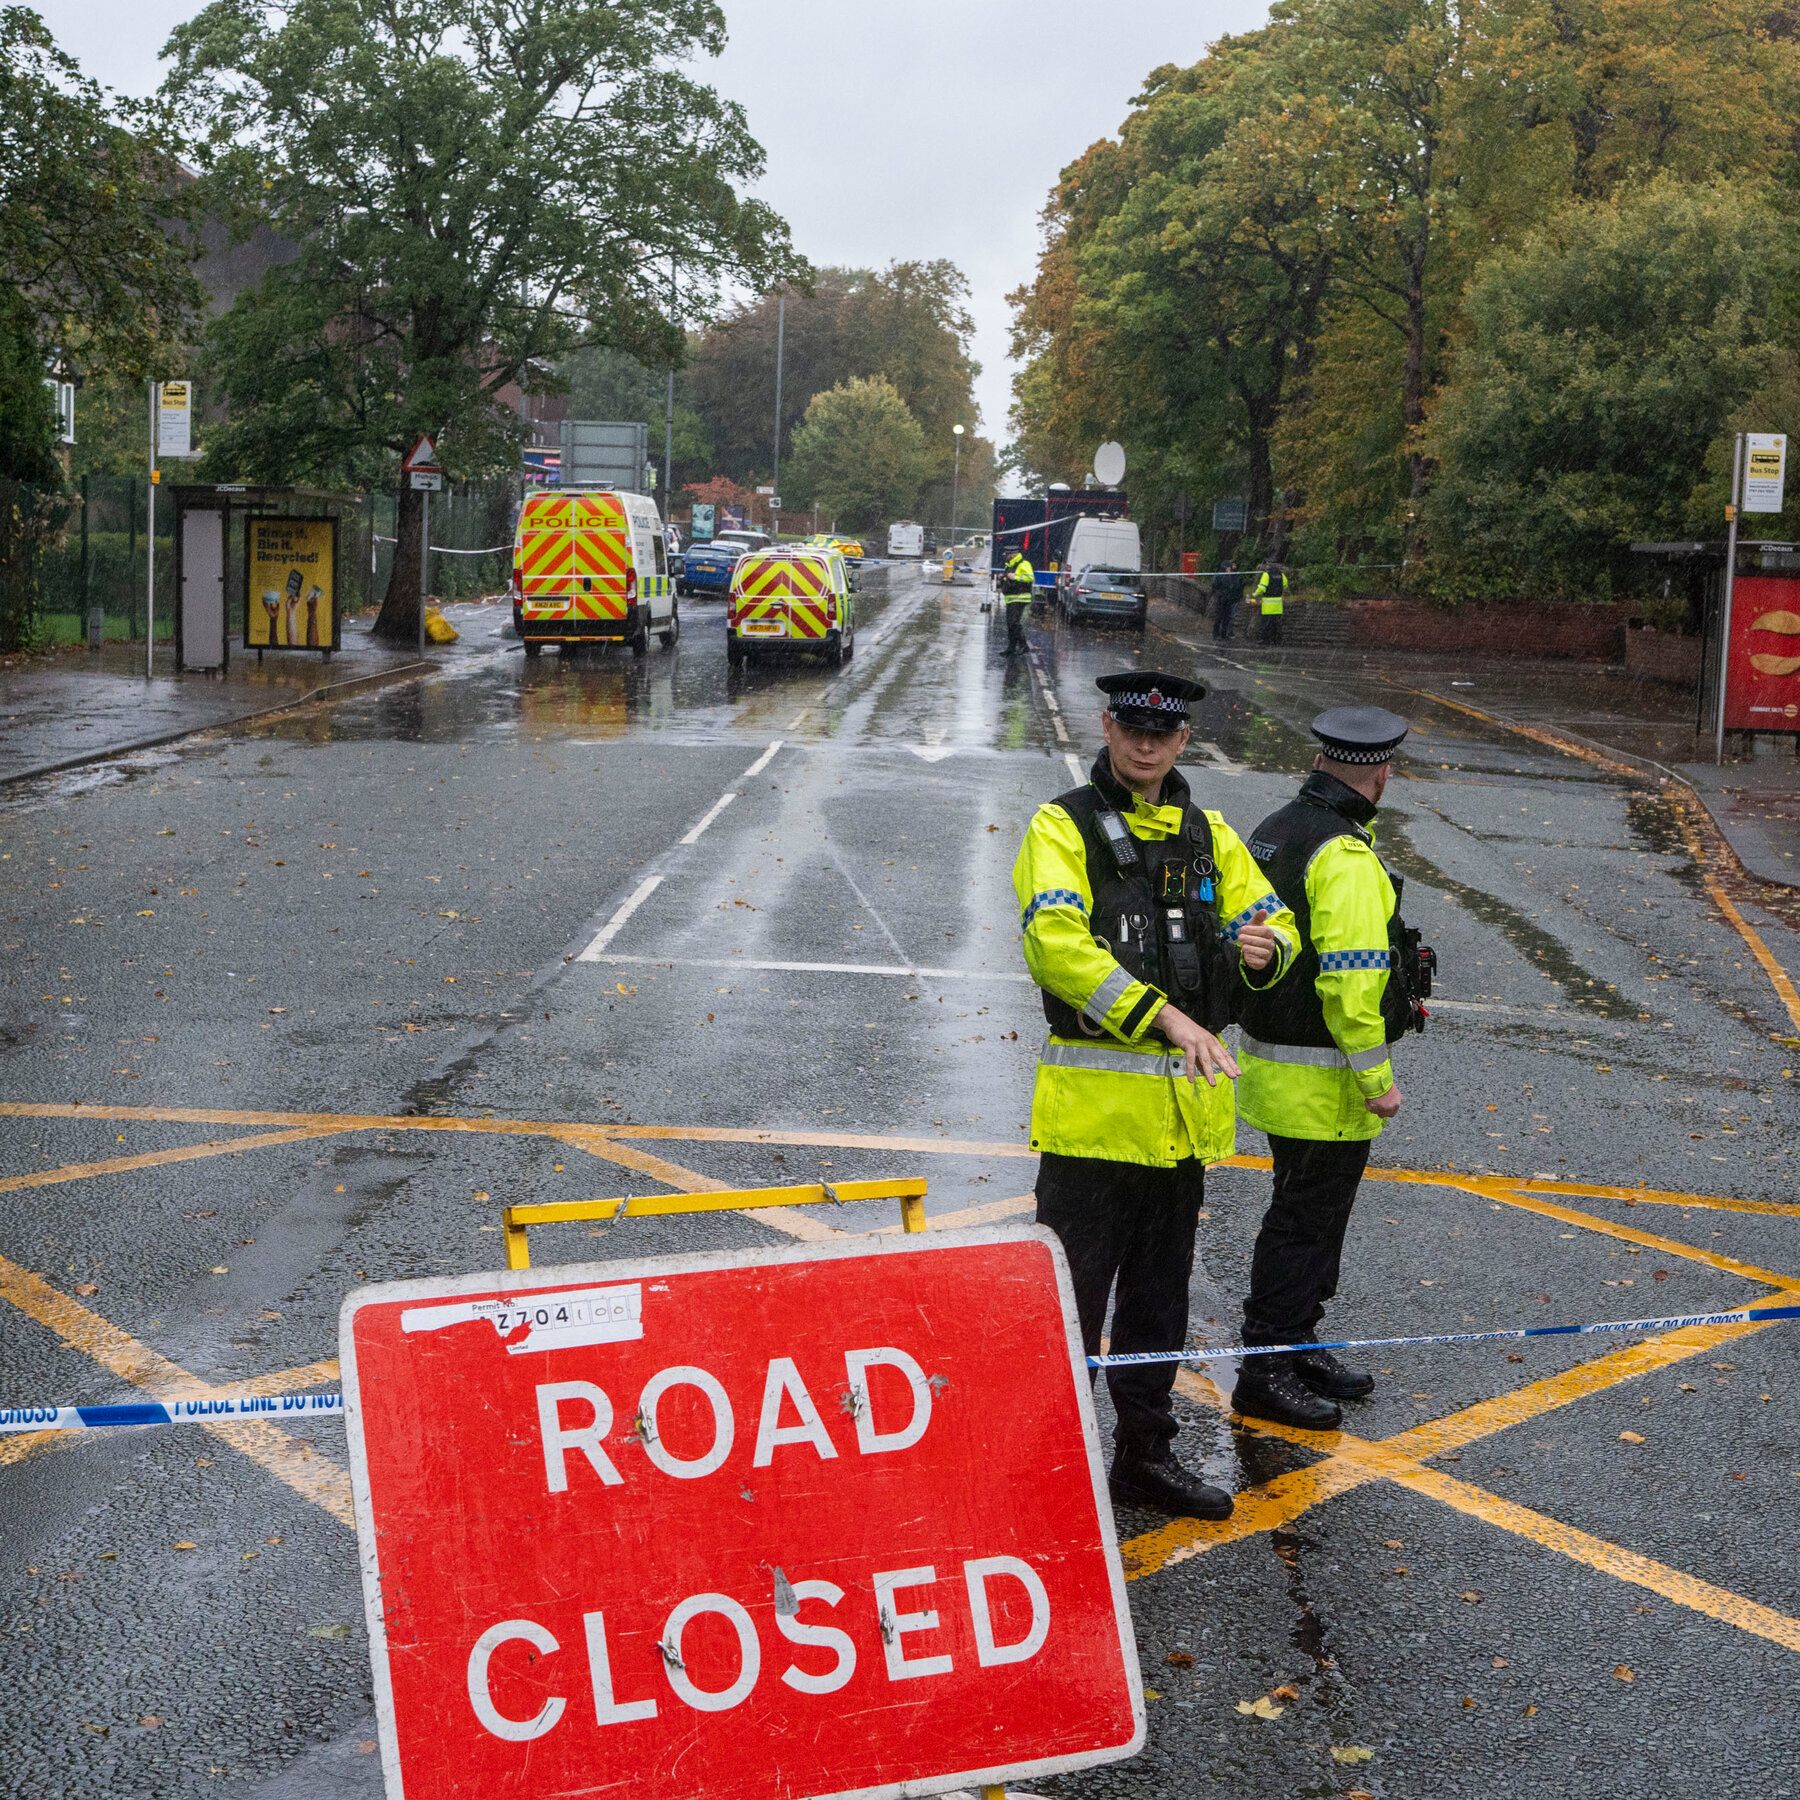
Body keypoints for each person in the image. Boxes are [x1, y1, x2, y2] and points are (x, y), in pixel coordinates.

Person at [1012, 672, 1299, 1519]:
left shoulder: (1209, 835)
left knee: (1156, 1308)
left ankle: (1145, 1456)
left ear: (1183, 742)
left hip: (1180, 1132)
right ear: (1106, 725)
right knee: (1068, 1312)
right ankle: (1044, 1470)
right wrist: (1166, 1018)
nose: (1145, 744)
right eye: (1131, 726)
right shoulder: (1061, 826)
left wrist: (1262, 950)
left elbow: (1275, 918)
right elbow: (1057, 947)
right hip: (1095, 1130)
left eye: (1162, 733)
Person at [1231, 706, 1430, 1429]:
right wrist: (1379, 1084)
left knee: (1308, 1215)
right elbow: (1352, 989)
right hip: (1324, 1081)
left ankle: (1298, 1342)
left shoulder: (1278, 828)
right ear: (1380, 775)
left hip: (1275, 1069)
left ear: (1320, 764)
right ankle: (1265, 1368)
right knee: (1303, 1223)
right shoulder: (1344, 857)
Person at [999, 547, 1034, 652]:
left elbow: (1030, 577)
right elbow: (1008, 578)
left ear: (1013, 554)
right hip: (1011, 598)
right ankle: (1011, 647)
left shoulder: (1024, 564)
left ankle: (1024, 645)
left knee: (1014, 623)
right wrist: (1003, 578)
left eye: (1007, 554)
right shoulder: (1009, 565)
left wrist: (1016, 577)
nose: (1006, 557)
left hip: (1020, 598)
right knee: (1010, 624)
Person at [1253, 562, 1287, 645]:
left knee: (1266, 623)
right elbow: (1285, 585)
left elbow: (1262, 588)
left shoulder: (1266, 575)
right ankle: (1276, 640)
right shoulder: (1281, 575)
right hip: (1278, 604)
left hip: (1268, 605)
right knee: (1276, 623)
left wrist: (1255, 594)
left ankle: (1265, 639)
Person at [1211, 559, 1244, 641]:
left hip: (1229, 599)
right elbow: (1215, 587)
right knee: (1219, 617)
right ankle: (1216, 634)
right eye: (1228, 567)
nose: (1230, 569)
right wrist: (1220, 595)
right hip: (1221, 599)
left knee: (1227, 617)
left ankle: (1223, 633)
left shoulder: (1230, 576)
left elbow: (1234, 586)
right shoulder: (1220, 575)